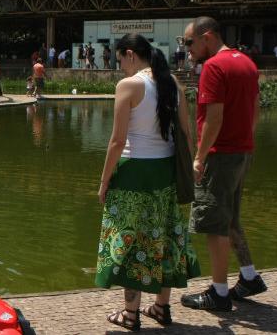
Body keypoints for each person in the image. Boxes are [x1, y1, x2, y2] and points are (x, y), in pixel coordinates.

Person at [96, 33, 201, 330]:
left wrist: (104, 182)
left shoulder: (129, 86)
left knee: (131, 239)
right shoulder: (173, 85)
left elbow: (117, 141)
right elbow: (186, 135)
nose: (122, 68)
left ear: (130, 54)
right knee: (162, 238)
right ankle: (161, 309)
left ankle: (130, 315)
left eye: (121, 61)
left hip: (134, 173)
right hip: (165, 172)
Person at [180, 17, 267, 312]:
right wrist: (244, 143)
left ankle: (218, 293)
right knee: (230, 218)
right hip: (242, 152)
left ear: (208, 37)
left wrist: (199, 157)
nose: (187, 49)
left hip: (220, 155)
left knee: (213, 223)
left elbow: (213, 118)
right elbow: (255, 111)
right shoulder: (246, 63)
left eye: (189, 42)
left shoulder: (215, 67)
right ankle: (249, 276)